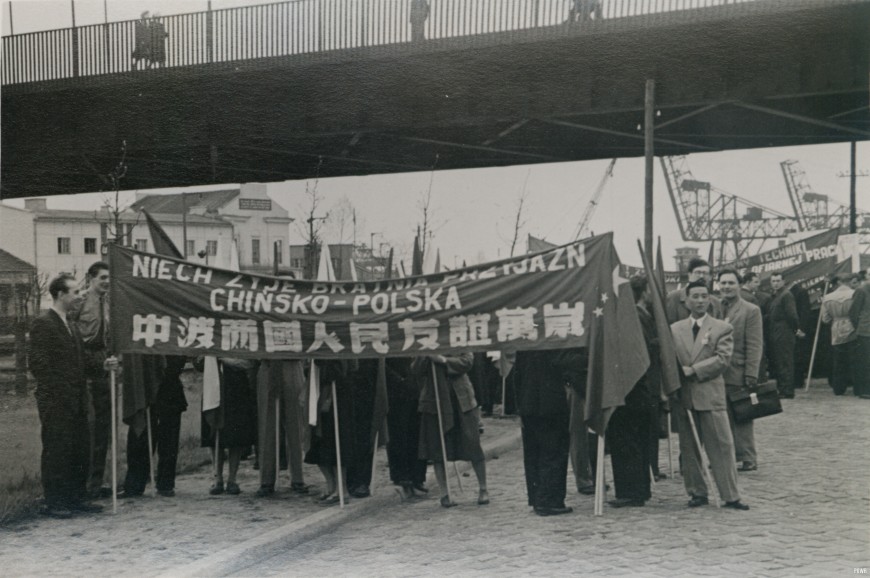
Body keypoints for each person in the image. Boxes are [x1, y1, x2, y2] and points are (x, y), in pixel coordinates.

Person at [28, 274, 104, 518]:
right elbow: (39, 364)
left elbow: (81, 360)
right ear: (60, 295)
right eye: (74, 292)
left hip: (78, 399)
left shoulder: (71, 324)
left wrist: (104, 364)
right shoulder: (44, 323)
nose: (79, 296)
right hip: (57, 400)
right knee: (57, 449)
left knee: (80, 448)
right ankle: (55, 502)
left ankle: (76, 497)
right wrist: (59, 393)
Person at [671, 279, 748, 510]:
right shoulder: (675, 329)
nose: (701, 301)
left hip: (710, 394)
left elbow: (722, 359)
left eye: (705, 296)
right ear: (686, 300)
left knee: (722, 445)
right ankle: (697, 492)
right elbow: (670, 359)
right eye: (695, 296)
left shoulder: (722, 327)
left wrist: (694, 370)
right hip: (686, 396)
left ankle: (730, 495)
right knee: (689, 447)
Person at [608, 275, 659, 508]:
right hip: (643, 387)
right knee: (638, 440)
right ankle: (640, 489)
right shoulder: (644, 316)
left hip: (631, 387)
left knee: (626, 440)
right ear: (644, 292)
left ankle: (630, 491)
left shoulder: (634, 318)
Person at [414, 353, 488, 508]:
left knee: (472, 444)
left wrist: (443, 360)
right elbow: (416, 369)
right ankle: (444, 493)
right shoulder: (427, 341)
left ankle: (483, 488)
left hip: (461, 399)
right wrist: (425, 355)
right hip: (435, 401)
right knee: (437, 449)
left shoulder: (456, 335)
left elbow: (466, 362)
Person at [515, 348, 582, 516]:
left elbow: (516, 374)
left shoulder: (526, 343)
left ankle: (537, 498)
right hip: (551, 402)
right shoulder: (554, 343)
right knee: (554, 451)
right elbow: (565, 364)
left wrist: (518, 406)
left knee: (534, 453)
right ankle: (550, 501)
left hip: (528, 402)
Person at [68, 261, 112, 499]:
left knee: (104, 426)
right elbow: (71, 336)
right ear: (91, 278)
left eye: (108, 278)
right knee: (89, 426)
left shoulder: (110, 303)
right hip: (84, 365)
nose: (106, 281)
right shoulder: (80, 301)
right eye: (102, 277)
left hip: (105, 364)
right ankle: (82, 484)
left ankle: (97, 482)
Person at [122, 356, 188, 497]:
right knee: (139, 438)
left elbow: (179, 360)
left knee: (169, 441)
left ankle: (166, 484)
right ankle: (134, 484)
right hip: (146, 391)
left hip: (170, 390)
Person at [718, 269, 763, 473]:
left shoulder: (750, 310)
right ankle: (727, 456)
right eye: (723, 283)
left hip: (738, 370)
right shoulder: (715, 308)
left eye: (731, 283)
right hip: (717, 372)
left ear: (739, 285)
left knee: (742, 414)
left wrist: (751, 373)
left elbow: (755, 344)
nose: (726, 286)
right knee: (721, 417)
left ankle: (747, 456)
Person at [200, 357, 259, 495]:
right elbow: (198, 364)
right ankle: (217, 478)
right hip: (212, 387)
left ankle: (232, 479)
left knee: (236, 435)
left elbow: (249, 362)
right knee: (213, 433)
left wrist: (224, 359)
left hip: (237, 387)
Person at [255, 360, 310, 497]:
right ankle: (266, 479)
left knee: (295, 424)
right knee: (267, 425)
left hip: (291, 364)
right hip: (268, 365)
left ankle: (297, 477)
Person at [305, 360, 355, 505]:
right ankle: (331, 486)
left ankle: (342, 489)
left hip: (337, 398)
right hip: (319, 394)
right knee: (318, 445)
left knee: (336, 444)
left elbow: (347, 369)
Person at [386, 357, 428, 499]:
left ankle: (418, 477)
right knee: (398, 434)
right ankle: (401, 476)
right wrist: (399, 381)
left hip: (418, 389)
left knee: (417, 435)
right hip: (396, 391)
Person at [820, 274, 859, 395]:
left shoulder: (827, 297)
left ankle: (838, 388)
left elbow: (825, 319)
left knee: (838, 360)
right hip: (852, 327)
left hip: (836, 328)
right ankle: (857, 388)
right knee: (854, 359)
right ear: (849, 282)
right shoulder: (855, 294)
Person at [767, 272, 800, 399]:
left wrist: (794, 329)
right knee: (780, 361)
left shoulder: (786, 295)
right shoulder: (776, 295)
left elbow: (792, 315)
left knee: (785, 361)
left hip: (784, 331)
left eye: (778, 281)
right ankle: (782, 388)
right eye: (773, 281)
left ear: (783, 281)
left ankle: (787, 390)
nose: (775, 283)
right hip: (776, 331)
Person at [666, 257, 722, 323]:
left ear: (710, 278)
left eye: (705, 273)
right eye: (697, 272)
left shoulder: (715, 302)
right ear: (689, 275)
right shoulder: (673, 298)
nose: (701, 276)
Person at [848, 268, 870, 399]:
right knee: (865, 362)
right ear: (867, 276)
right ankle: (864, 390)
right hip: (865, 332)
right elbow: (853, 312)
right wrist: (859, 327)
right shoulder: (861, 290)